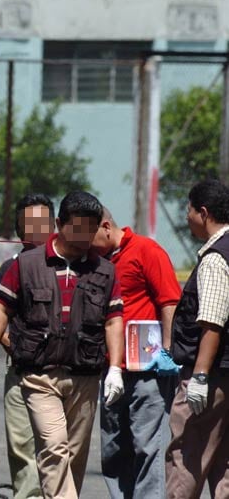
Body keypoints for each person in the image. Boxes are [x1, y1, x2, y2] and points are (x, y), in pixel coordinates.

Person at [0, 190, 124, 499]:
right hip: (38, 375)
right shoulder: (25, 264)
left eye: (92, 228)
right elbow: (0, 310)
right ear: (61, 224)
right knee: (53, 447)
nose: (86, 236)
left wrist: (115, 369)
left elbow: (113, 320)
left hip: (84, 376)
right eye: (79, 227)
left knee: (73, 454)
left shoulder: (105, 271)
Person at [91, 207, 181, 499]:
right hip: (111, 371)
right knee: (114, 448)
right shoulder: (95, 262)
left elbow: (169, 302)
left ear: (106, 226)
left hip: (148, 371)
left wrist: (167, 353)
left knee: (148, 447)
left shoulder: (147, 251)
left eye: (87, 236)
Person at [0, 194, 54, 499]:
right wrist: (13, 348)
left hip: (66, 375)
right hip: (22, 374)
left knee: (58, 451)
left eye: (43, 223)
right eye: (30, 224)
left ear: (55, 226)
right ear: (20, 230)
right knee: (23, 449)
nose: (37, 231)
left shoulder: (73, 265)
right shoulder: (11, 268)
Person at [165, 179, 229, 499]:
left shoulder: (217, 257)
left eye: (189, 211)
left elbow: (212, 324)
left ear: (203, 213)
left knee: (186, 455)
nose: (186, 218)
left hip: (212, 376)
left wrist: (200, 376)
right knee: (223, 463)